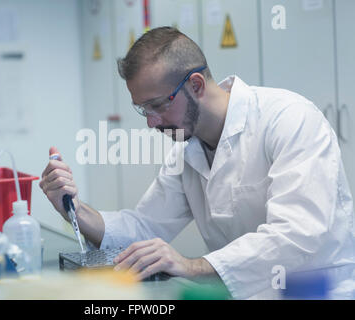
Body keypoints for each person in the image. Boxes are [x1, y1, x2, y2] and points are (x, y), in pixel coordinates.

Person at [39, 27, 354, 299]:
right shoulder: (187, 149)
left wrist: (191, 266)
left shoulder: (288, 119)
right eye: (142, 109)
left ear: (196, 85)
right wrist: (75, 208)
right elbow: (144, 227)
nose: (151, 122)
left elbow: (297, 235)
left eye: (157, 105)